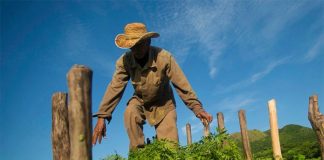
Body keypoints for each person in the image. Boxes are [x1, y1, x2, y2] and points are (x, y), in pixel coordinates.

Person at [92, 22, 213, 149]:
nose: (135, 49)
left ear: (148, 42)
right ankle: (138, 155)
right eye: (132, 46)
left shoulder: (164, 57)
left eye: (139, 44)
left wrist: (197, 108)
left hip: (164, 103)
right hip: (140, 100)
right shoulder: (124, 61)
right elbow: (115, 87)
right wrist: (102, 116)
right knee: (130, 112)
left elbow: (182, 84)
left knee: (170, 149)